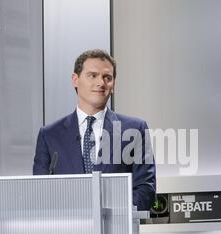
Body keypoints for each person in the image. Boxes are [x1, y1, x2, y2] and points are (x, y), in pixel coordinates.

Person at [33, 49, 156, 210]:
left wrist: (106, 212)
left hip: (117, 230)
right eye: (92, 75)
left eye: (107, 77)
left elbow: (146, 191)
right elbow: (39, 193)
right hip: (67, 231)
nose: (101, 83)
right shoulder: (49, 135)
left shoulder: (135, 129)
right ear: (75, 80)